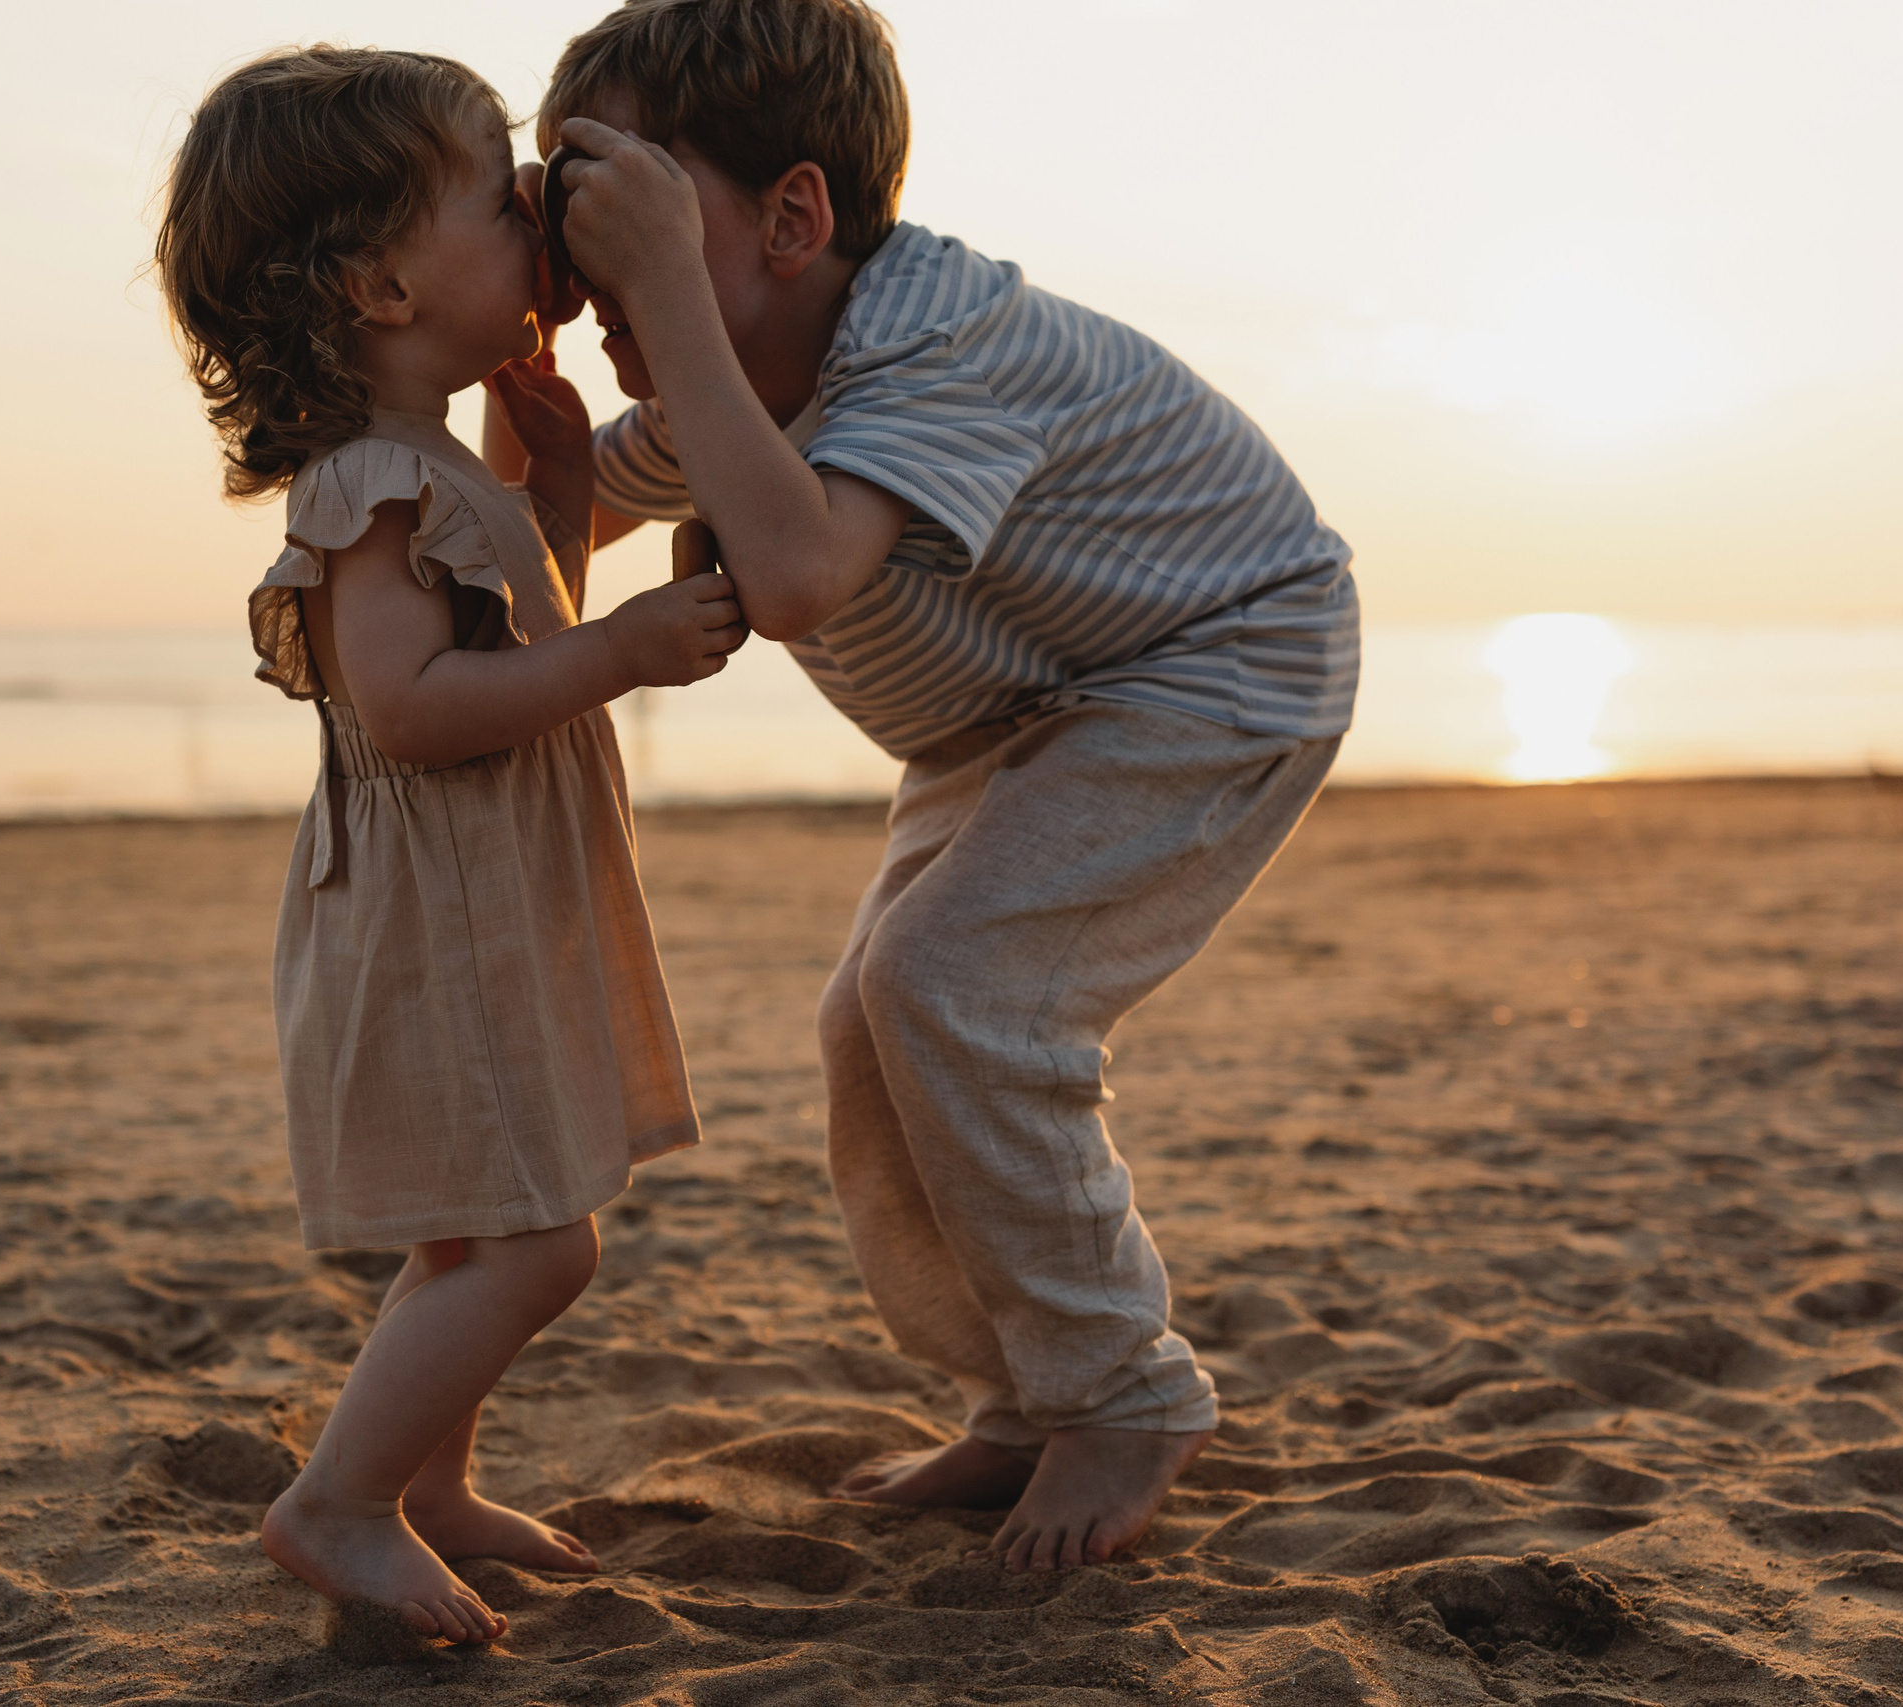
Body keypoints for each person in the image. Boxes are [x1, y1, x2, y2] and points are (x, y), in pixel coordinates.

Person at [513, 0, 1359, 1574]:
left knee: (955, 981)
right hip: (1008, 717)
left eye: (634, 204)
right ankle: (1028, 1394)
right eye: (573, 211)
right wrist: (523, 372)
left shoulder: (932, 337)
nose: (600, 256)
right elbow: (542, 541)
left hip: (1212, 659)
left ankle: (1125, 1391)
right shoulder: (723, 383)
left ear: (794, 215)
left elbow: (796, 575)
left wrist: (669, 318)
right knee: (875, 1023)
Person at [155, 45, 747, 1643]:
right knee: (543, 1244)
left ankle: (425, 1485)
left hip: (478, 901)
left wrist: (555, 491)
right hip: (444, 917)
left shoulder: (433, 475)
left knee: (473, 1221)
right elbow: (416, 706)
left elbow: (506, 622)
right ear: (382, 285)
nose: (540, 217)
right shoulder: (369, 492)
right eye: (501, 196)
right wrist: (621, 648)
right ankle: (335, 1500)